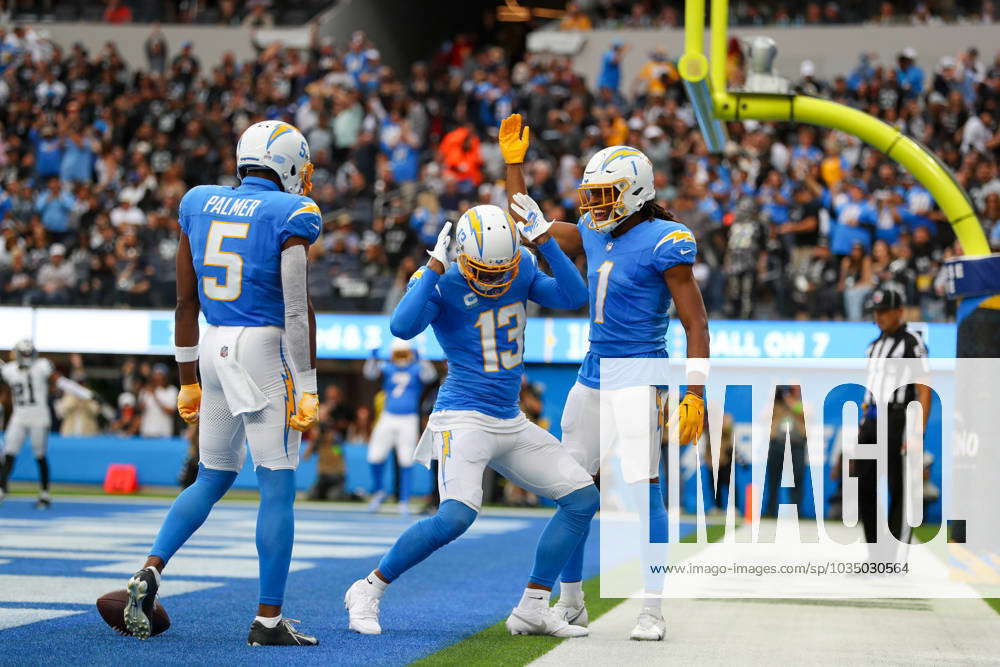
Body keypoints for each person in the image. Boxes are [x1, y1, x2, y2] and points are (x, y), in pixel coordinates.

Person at [500, 114, 710, 641]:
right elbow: (530, 224)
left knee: (645, 493)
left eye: (606, 192)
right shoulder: (594, 231)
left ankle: (653, 608)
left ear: (635, 191)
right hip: (591, 375)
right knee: (572, 490)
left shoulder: (667, 239)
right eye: (592, 193)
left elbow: (695, 322)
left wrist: (695, 391)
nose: (594, 204)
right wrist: (513, 166)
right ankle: (570, 603)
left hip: (640, 376)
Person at [344, 204, 598, 638]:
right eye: (485, 269)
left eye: (505, 267)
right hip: (462, 417)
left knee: (581, 499)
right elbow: (401, 328)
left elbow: (575, 297)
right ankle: (368, 589)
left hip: (509, 419)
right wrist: (431, 268)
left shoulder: (520, 268)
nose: (498, 277)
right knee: (456, 517)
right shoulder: (442, 280)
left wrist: (545, 241)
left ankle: (533, 606)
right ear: (461, 254)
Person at [116, 121, 322, 646]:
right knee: (276, 485)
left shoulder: (199, 201)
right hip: (265, 348)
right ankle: (269, 621)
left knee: (211, 476)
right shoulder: (291, 213)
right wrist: (309, 383)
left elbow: (184, 303)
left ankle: (150, 571)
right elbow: (297, 311)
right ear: (290, 165)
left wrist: (188, 379)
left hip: (212, 345)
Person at [856, 283, 931, 562]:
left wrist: (918, 430)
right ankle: (876, 555)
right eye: (876, 311)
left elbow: (924, 387)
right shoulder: (872, 347)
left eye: (885, 311)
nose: (879, 316)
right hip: (872, 418)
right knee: (863, 484)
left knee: (899, 488)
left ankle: (895, 558)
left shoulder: (912, 342)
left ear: (899, 311)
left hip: (899, 418)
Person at [0, 339, 93, 507]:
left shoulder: (41, 367)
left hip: (39, 416)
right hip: (19, 416)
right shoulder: (10, 370)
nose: (27, 356)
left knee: (40, 455)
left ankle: (44, 493)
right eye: (25, 353)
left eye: (29, 353)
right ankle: (2, 488)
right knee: (9, 453)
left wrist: (83, 393)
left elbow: (61, 381)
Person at [362, 338, 438, 515]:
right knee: (374, 456)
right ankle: (379, 491)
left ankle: (404, 500)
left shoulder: (416, 367)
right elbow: (370, 373)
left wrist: (422, 357)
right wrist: (372, 356)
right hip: (388, 416)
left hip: (408, 419)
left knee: (406, 460)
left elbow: (430, 375)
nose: (401, 357)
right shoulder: (388, 367)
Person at [138, 364, 179, 438]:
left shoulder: (172, 390)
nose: (158, 377)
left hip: (164, 432)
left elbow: (171, 411)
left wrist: (155, 396)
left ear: (165, 376)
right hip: (147, 431)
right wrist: (144, 394)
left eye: (160, 375)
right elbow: (140, 409)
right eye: (155, 375)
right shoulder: (146, 389)